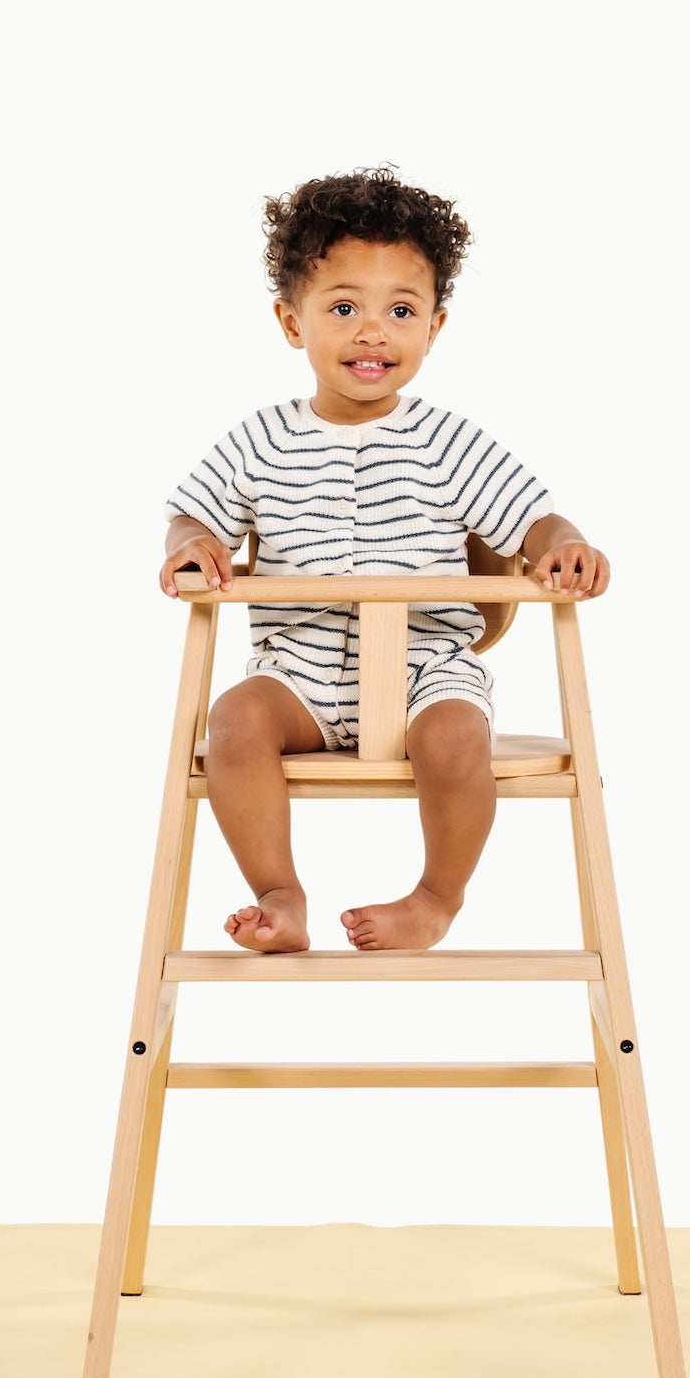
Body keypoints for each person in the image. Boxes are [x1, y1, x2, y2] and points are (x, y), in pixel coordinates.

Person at [160, 167, 609, 953]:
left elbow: (534, 519)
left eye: (400, 311)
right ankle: (279, 894)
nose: (374, 333)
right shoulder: (261, 440)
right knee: (233, 722)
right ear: (291, 322)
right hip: (298, 675)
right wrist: (190, 544)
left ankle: (437, 897)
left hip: (425, 670)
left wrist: (562, 546)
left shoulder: (450, 442)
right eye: (344, 309)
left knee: (458, 739)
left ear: (433, 328)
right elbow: (193, 515)